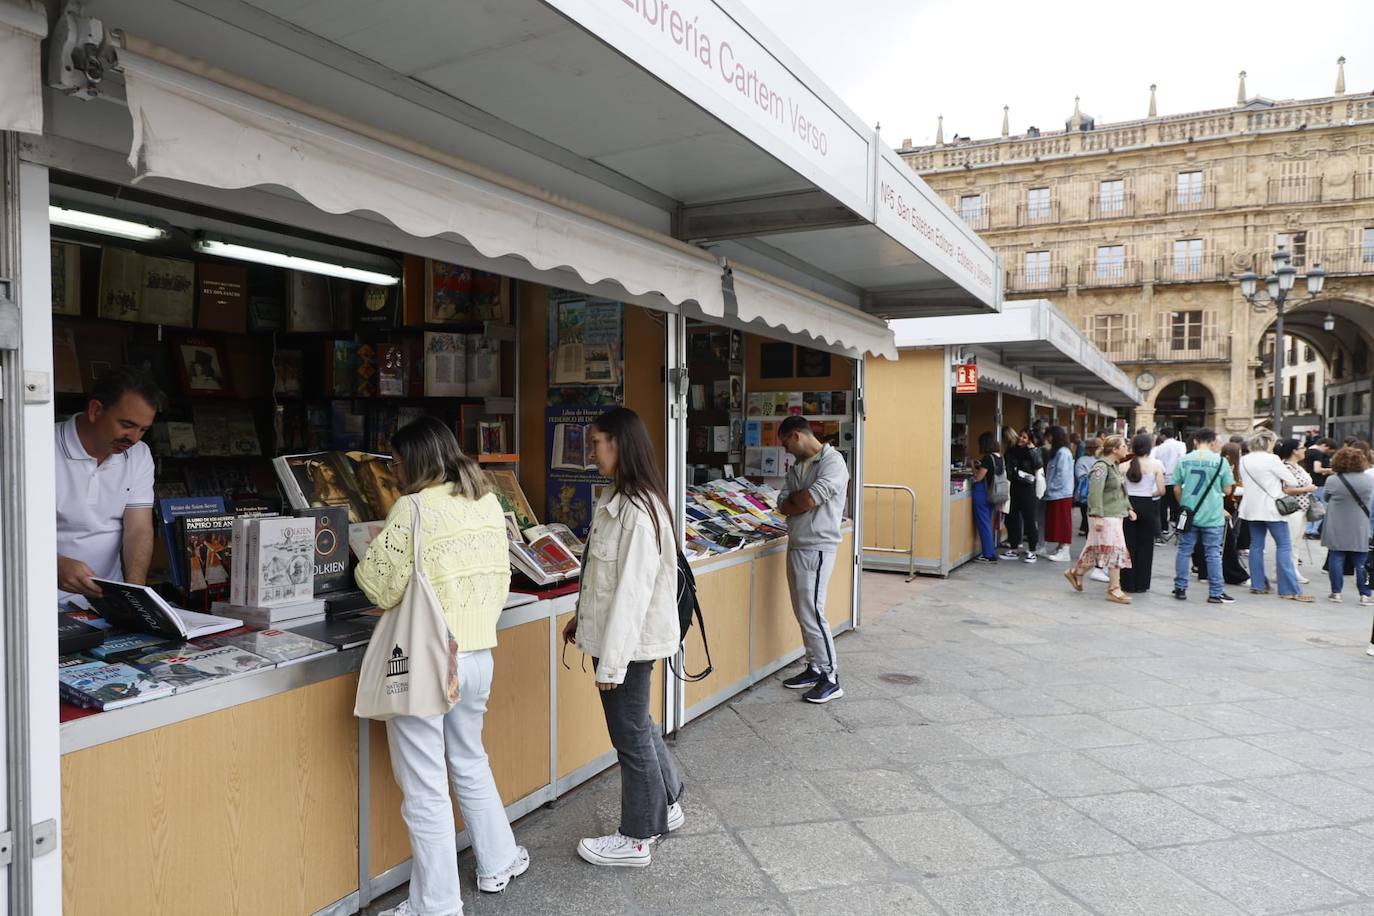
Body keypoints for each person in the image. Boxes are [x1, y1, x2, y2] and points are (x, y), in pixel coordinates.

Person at [355, 417, 528, 916]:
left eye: (396, 460)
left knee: (425, 788)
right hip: (477, 656)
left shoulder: (412, 508)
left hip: (428, 659)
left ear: (413, 460)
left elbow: (379, 586)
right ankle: (498, 861)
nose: (393, 469)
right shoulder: (486, 502)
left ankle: (437, 905)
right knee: (470, 759)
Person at [562, 407, 684, 867]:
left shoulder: (635, 510)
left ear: (619, 444)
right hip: (620, 640)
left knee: (629, 735)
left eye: (596, 443)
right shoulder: (619, 499)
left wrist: (611, 664)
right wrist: (582, 618)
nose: (590, 452)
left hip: (628, 646)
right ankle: (667, 804)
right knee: (640, 727)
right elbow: (604, 580)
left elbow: (631, 594)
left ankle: (637, 836)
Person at [56, 368, 165, 603]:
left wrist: (134, 596)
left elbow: (138, 529)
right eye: (127, 424)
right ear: (95, 410)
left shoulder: (139, 454)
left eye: (143, 429)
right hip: (41, 599)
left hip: (107, 600)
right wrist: (52, 565)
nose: (134, 438)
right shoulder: (41, 446)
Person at [775, 413, 851, 703]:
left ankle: (831, 677)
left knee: (813, 613)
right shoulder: (798, 466)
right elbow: (784, 502)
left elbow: (808, 499)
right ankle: (815, 666)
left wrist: (797, 501)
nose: (785, 450)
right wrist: (796, 501)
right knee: (802, 611)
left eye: (785, 443)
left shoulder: (832, 462)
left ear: (797, 435)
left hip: (817, 546)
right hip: (798, 543)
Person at [1239, 429, 1312, 602]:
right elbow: (1292, 481)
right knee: (1284, 546)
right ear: (1268, 442)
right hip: (1272, 508)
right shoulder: (1272, 459)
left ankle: (1258, 584)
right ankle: (1289, 589)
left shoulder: (1244, 459)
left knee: (1256, 546)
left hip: (1251, 507)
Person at [1064, 436, 1136, 603]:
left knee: (1097, 549)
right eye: (1124, 446)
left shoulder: (1114, 466)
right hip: (1106, 516)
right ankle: (1114, 589)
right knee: (1114, 550)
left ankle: (1076, 573)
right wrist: (1097, 515)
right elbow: (1095, 493)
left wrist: (1129, 508)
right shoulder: (1101, 467)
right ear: (1115, 449)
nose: (1126, 449)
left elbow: (1120, 491)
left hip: (1114, 514)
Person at [1171, 428, 1236, 603]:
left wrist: (1183, 503)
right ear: (1213, 441)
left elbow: (1176, 487)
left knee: (1184, 550)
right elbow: (1227, 489)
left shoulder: (1184, 460)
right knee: (1213, 553)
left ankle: (1180, 588)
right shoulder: (1221, 462)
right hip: (1213, 514)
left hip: (1189, 512)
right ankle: (1215, 592)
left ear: (1194, 441)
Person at [1321, 446, 1374, 606]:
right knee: (1361, 561)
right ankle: (1365, 595)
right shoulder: (1368, 479)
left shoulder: (1333, 479)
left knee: (1336, 557)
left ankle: (1336, 593)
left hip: (1337, 524)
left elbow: (1326, 497)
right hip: (1360, 525)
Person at [1120, 433, 1165, 593]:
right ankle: (1142, 583)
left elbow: (1121, 491)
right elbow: (1161, 490)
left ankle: (1127, 582)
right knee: (1146, 545)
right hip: (1146, 505)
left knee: (1128, 545)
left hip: (1128, 506)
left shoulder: (1124, 466)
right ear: (1149, 447)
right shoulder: (1157, 465)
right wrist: (1148, 494)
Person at [1277, 439, 1318, 585]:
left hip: (1302, 508)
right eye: (1302, 448)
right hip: (1292, 508)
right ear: (1294, 451)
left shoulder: (1298, 467)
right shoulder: (1285, 467)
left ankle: (1292, 570)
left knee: (1296, 542)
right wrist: (1307, 489)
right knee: (1290, 542)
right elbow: (1285, 489)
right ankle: (1287, 571)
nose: (1304, 450)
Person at [1003, 428, 1043, 563]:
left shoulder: (1034, 452)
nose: (1021, 439)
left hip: (1028, 489)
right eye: (1021, 436)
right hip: (1014, 487)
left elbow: (1038, 465)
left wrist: (1032, 450)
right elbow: (1007, 465)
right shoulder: (1012, 451)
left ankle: (1032, 551)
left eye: (1025, 437)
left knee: (1030, 520)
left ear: (1030, 440)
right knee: (1011, 518)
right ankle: (1013, 548)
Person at [1042, 425, 1075, 562]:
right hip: (1057, 493)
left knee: (1062, 522)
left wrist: (1049, 488)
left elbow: (1062, 475)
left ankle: (1065, 549)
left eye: (1049, 436)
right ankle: (1060, 547)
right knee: (1057, 522)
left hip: (1061, 493)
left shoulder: (1063, 452)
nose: (1047, 438)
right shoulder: (1058, 452)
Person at [971, 431, 1004, 563]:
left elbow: (978, 478)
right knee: (987, 523)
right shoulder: (999, 457)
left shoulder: (987, 458)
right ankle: (989, 551)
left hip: (982, 493)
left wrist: (973, 467)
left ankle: (988, 555)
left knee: (983, 523)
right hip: (994, 494)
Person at [1153, 426, 1186, 538]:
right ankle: (1178, 527)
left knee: (1163, 505)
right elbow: (1183, 460)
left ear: (1163, 435)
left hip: (1163, 479)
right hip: (1177, 479)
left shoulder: (1159, 448)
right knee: (1177, 505)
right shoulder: (1181, 445)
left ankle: (1164, 528)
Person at [1303, 438, 1336, 538]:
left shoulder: (1307, 451)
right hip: (1320, 483)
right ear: (1325, 445)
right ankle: (1315, 530)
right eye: (1328, 450)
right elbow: (1317, 469)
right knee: (1322, 508)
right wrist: (1331, 470)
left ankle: (1308, 530)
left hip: (1310, 483)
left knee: (1312, 508)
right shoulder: (1318, 453)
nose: (1327, 453)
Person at [1074, 437, 1100, 537]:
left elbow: (1080, 477)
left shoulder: (1081, 460)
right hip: (1097, 495)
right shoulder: (1103, 460)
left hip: (1085, 496)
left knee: (1087, 520)